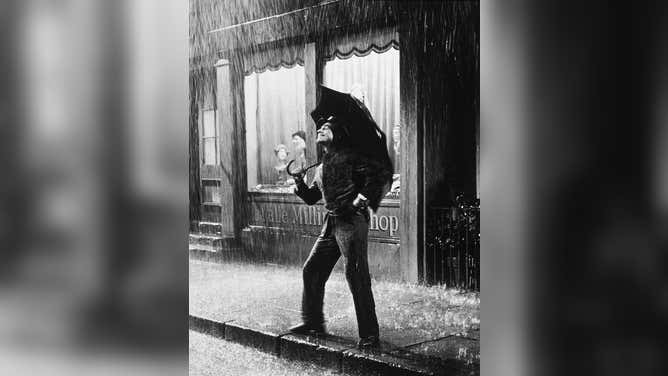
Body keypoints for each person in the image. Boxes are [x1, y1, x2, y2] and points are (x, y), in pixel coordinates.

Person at [288, 116, 393, 349]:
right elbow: (312, 197)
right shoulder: (322, 166)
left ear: (338, 134)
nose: (321, 129)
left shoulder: (352, 157)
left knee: (356, 276)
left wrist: (364, 196)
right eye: (320, 127)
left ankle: (369, 334)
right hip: (331, 222)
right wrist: (300, 185)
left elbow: (380, 177)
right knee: (312, 269)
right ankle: (313, 322)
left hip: (351, 223)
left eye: (327, 127)